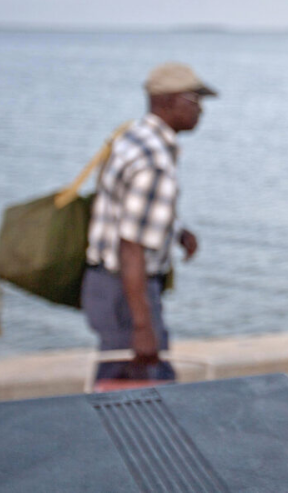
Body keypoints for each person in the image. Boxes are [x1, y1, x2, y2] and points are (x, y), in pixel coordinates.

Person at [82, 62, 217, 381]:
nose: (201, 111)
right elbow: (131, 246)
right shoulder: (155, 162)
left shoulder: (133, 137)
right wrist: (142, 327)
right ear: (170, 100)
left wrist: (176, 232)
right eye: (195, 100)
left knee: (126, 388)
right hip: (127, 291)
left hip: (107, 286)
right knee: (144, 390)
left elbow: (125, 210)